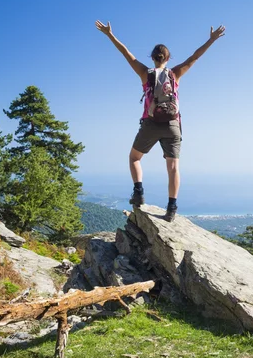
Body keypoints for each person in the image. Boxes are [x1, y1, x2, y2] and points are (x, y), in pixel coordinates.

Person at [95, 20, 225, 221]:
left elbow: (126, 53)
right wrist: (212, 40)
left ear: (153, 57)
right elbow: (195, 57)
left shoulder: (145, 73)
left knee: (134, 158)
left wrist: (110, 35)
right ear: (168, 58)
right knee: (173, 167)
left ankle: (138, 193)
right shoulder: (175, 74)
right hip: (173, 126)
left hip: (150, 123)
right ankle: (172, 208)